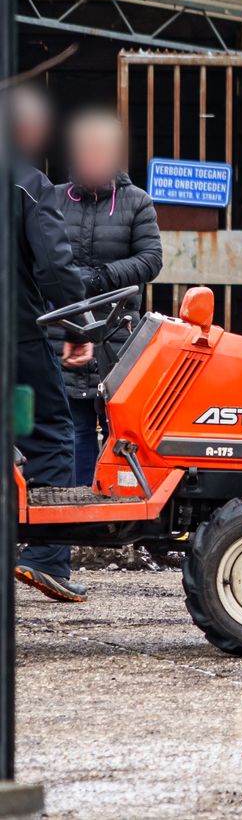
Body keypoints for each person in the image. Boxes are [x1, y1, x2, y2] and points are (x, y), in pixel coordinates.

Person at [9, 86, 94, 602]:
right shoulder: (28, 184)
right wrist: (80, 327)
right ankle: (45, 559)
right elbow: (57, 268)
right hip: (16, 334)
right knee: (51, 431)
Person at [50, 109, 162, 485]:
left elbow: (151, 260)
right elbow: (38, 259)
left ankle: (117, 507)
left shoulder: (138, 202)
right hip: (66, 331)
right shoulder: (51, 200)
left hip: (120, 335)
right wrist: (67, 281)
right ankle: (79, 505)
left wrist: (100, 277)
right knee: (75, 426)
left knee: (122, 426)